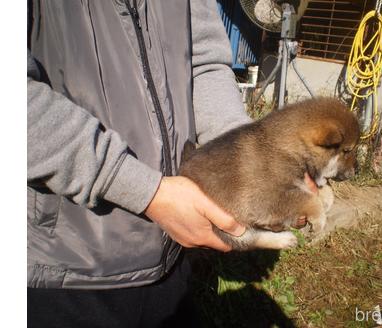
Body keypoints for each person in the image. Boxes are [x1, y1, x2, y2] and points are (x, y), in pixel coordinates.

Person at [27, 0, 251, 326]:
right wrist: (149, 193)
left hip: (173, 252)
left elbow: (203, 64)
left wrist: (243, 161)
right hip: (65, 268)